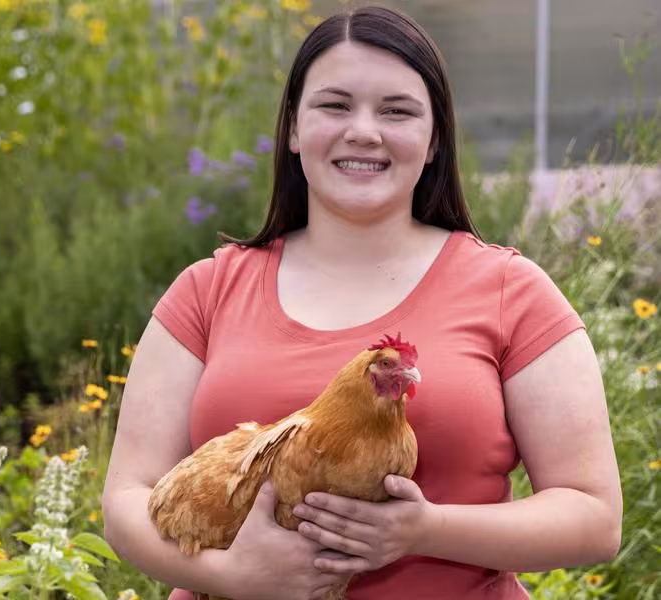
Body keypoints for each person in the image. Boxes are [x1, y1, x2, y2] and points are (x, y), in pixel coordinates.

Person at [101, 6, 622, 599]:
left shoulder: (512, 291)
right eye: (335, 105)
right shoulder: (206, 291)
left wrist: (424, 529)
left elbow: (594, 517)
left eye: (396, 110)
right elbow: (126, 500)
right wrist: (231, 577)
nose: (364, 131)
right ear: (294, 129)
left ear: (433, 142)